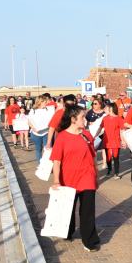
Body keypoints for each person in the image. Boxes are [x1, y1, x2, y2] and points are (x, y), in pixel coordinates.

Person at [50, 105, 101, 252]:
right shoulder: (62, 137)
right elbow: (57, 161)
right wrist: (56, 181)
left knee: (88, 211)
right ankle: (67, 231)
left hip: (87, 178)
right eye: (82, 117)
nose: (85, 120)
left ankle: (90, 241)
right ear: (73, 119)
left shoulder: (87, 135)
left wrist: (96, 175)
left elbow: (93, 156)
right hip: (69, 180)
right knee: (68, 210)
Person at [100, 101, 125, 178]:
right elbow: (100, 128)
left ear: (111, 109)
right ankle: (109, 170)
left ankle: (116, 173)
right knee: (108, 158)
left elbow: (122, 130)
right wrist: (94, 136)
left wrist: (123, 141)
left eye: (106, 108)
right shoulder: (104, 118)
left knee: (116, 157)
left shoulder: (119, 119)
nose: (105, 109)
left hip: (115, 141)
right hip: (106, 141)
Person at [28, 96, 55, 162]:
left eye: (46, 102)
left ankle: (47, 165)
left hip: (47, 133)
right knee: (38, 149)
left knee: (48, 150)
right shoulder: (33, 110)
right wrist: (33, 128)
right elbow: (29, 121)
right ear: (40, 102)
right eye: (44, 102)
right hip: (36, 134)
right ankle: (40, 166)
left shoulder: (50, 109)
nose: (46, 103)